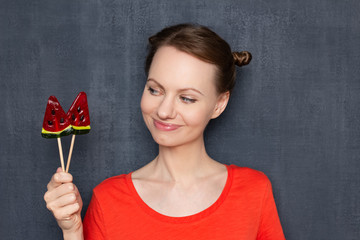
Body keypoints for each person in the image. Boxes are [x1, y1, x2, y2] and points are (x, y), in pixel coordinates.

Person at [44, 23, 285, 239]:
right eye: (155, 90)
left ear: (219, 103)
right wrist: (72, 231)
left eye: (187, 98)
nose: (164, 111)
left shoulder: (254, 191)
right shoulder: (108, 200)